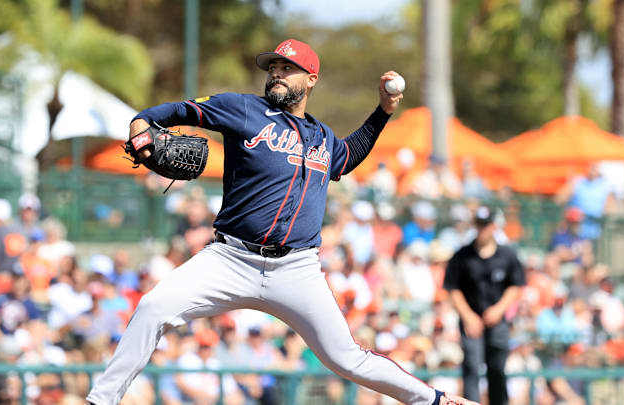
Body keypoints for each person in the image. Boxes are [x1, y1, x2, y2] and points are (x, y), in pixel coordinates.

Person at [86, 38, 476, 405]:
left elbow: (348, 155)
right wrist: (141, 123)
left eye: (287, 67)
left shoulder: (322, 136)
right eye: (272, 66)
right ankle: (101, 400)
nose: (276, 73)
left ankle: (435, 400)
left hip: (297, 269)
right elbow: (176, 111)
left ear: (311, 80)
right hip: (230, 259)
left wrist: (383, 111)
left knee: (346, 357)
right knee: (153, 307)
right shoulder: (243, 109)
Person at [443, 206, 526, 405]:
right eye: (479, 225)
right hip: (471, 320)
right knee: (471, 366)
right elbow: (453, 288)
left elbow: (516, 285)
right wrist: (468, 316)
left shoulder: (507, 255)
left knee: (497, 368)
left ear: (494, 226)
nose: (482, 230)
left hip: (497, 321)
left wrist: (499, 309)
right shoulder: (462, 255)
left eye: (486, 225)